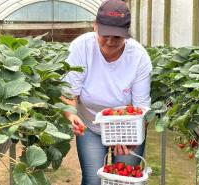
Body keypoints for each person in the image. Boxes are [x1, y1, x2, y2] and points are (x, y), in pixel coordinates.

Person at [62, 0, 152, 184]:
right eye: (105, 35)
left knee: (124, 179)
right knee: (92, 180)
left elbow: (140, 108)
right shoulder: (81, 48)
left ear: (126, 34)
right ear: (95, 26)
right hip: (91, 126)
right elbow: (69, 94)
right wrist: (71, 116)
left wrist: (131, 138)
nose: (110, 42)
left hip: (127, 130)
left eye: (117, 37)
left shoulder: (139, 58)